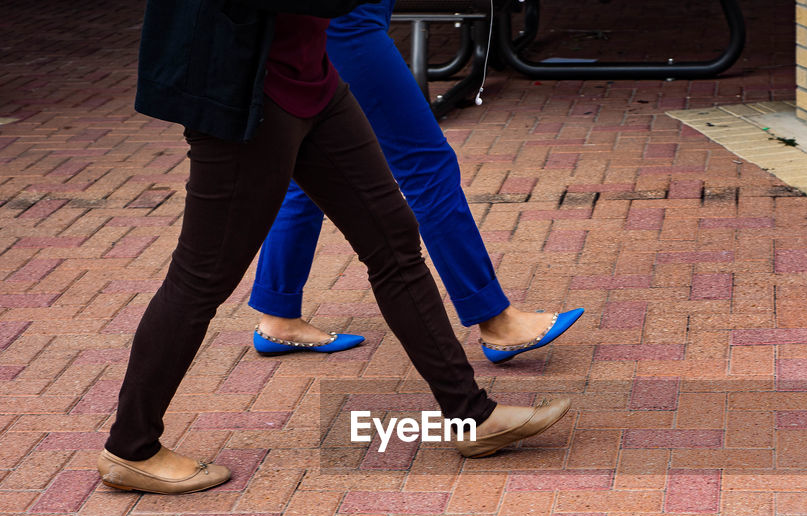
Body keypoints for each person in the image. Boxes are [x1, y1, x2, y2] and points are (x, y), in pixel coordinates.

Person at [98, 0, 569, 495]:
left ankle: (472, 418)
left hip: (313, 79)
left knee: (393, 241)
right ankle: (131, 448)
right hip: (249, 94)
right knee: (201, 279)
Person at [248, 0, 582, 363]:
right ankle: (494, 319)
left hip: (322, 21)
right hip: (347, 22)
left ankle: (278, 314)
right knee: (426, 164)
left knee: (311, 167)